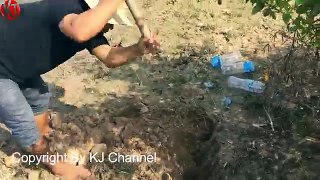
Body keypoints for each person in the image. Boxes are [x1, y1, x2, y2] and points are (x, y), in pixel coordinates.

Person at [0, 0, 159, 179]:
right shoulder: (67, 8)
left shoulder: (87, 26)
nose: (110, 28)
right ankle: (57, 166)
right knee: (23, 123)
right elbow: (79, 30)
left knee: (38, 97)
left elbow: (109, 57)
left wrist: (137, 49)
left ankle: (44, 132)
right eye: (109, 20)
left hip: (16, 65)